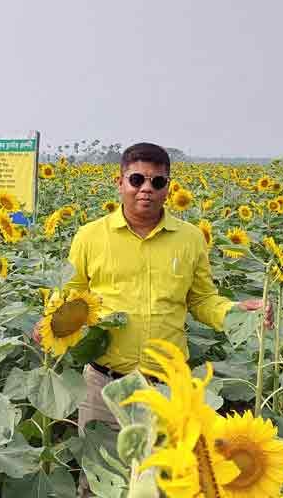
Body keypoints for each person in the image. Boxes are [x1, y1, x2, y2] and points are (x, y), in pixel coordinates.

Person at [42, 143, 268, 495]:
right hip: (104, 385)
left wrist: (237, 313)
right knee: (99, 482)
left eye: (157, 182)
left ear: (168, 188)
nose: (146, 188)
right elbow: (69, 294)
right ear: (120, 182)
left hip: (167, 388)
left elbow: (202, 300)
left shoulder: (190, 239)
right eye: (137, 179)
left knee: (163, 484)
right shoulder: (90, 236)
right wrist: (49, 324)